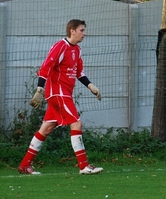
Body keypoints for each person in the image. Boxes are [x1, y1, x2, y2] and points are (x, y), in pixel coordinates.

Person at [18, 19, 103, 175]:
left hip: (64, 94)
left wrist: (91, 86)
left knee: (46, 129)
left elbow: (79, 72)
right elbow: (46, 67)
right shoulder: (60, 46)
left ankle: (24, 165)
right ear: (72, 30)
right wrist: (39, 90)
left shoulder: (77, 49)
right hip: (58, 93)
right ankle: (84, 166)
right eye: (82, 30)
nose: (85, 33)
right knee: (76, 123)